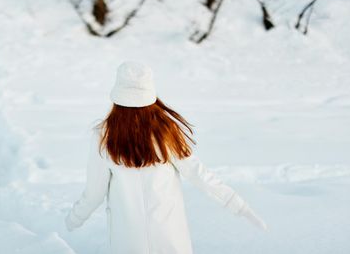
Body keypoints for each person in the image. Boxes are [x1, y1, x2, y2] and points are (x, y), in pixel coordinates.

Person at [65, 61, 267, 254]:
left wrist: (73, 220)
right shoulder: (165, 131)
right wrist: (238, 205)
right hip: (169, 238)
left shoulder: (104, 135)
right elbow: (199, 175)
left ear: (117, 95)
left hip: (127, 240)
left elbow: (94, 194)